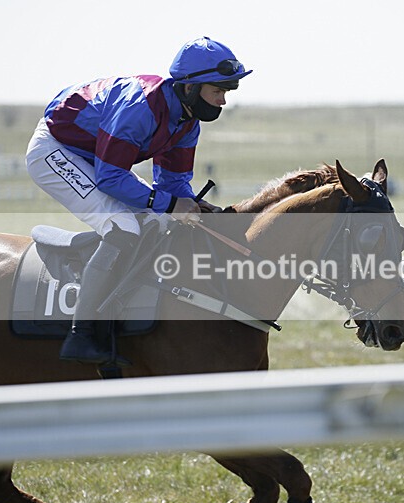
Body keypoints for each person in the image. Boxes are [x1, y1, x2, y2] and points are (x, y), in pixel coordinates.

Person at [25, 36, 251, 365]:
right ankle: (81, 333)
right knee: (122, 226)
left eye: (226, 92)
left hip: (97, 158)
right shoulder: (139, 108)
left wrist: (197, 208)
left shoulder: (187, 123)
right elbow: (110, 177)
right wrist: (173, 206)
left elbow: (173, 183)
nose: (223, 100)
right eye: (218, 91)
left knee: (159, 220)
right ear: (190, 87)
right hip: (55, 150)